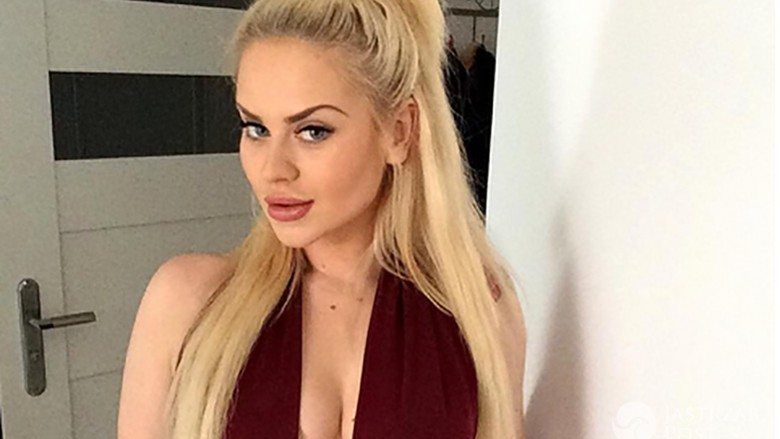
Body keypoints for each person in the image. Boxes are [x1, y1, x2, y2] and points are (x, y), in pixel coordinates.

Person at [117, 1, 526, 439]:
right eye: (256, 128)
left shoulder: (480, 310)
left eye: (313, 131)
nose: (273, 169)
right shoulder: (187, 302)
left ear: (399, 132)